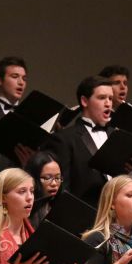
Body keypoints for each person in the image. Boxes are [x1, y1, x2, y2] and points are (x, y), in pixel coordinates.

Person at [43, 75, 115, 205]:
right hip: (85, 218)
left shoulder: (117, 136)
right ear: (84, 101)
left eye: (110, 98)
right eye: (102, 98)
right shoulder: (64, 139)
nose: (108, 103)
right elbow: (62, 189)